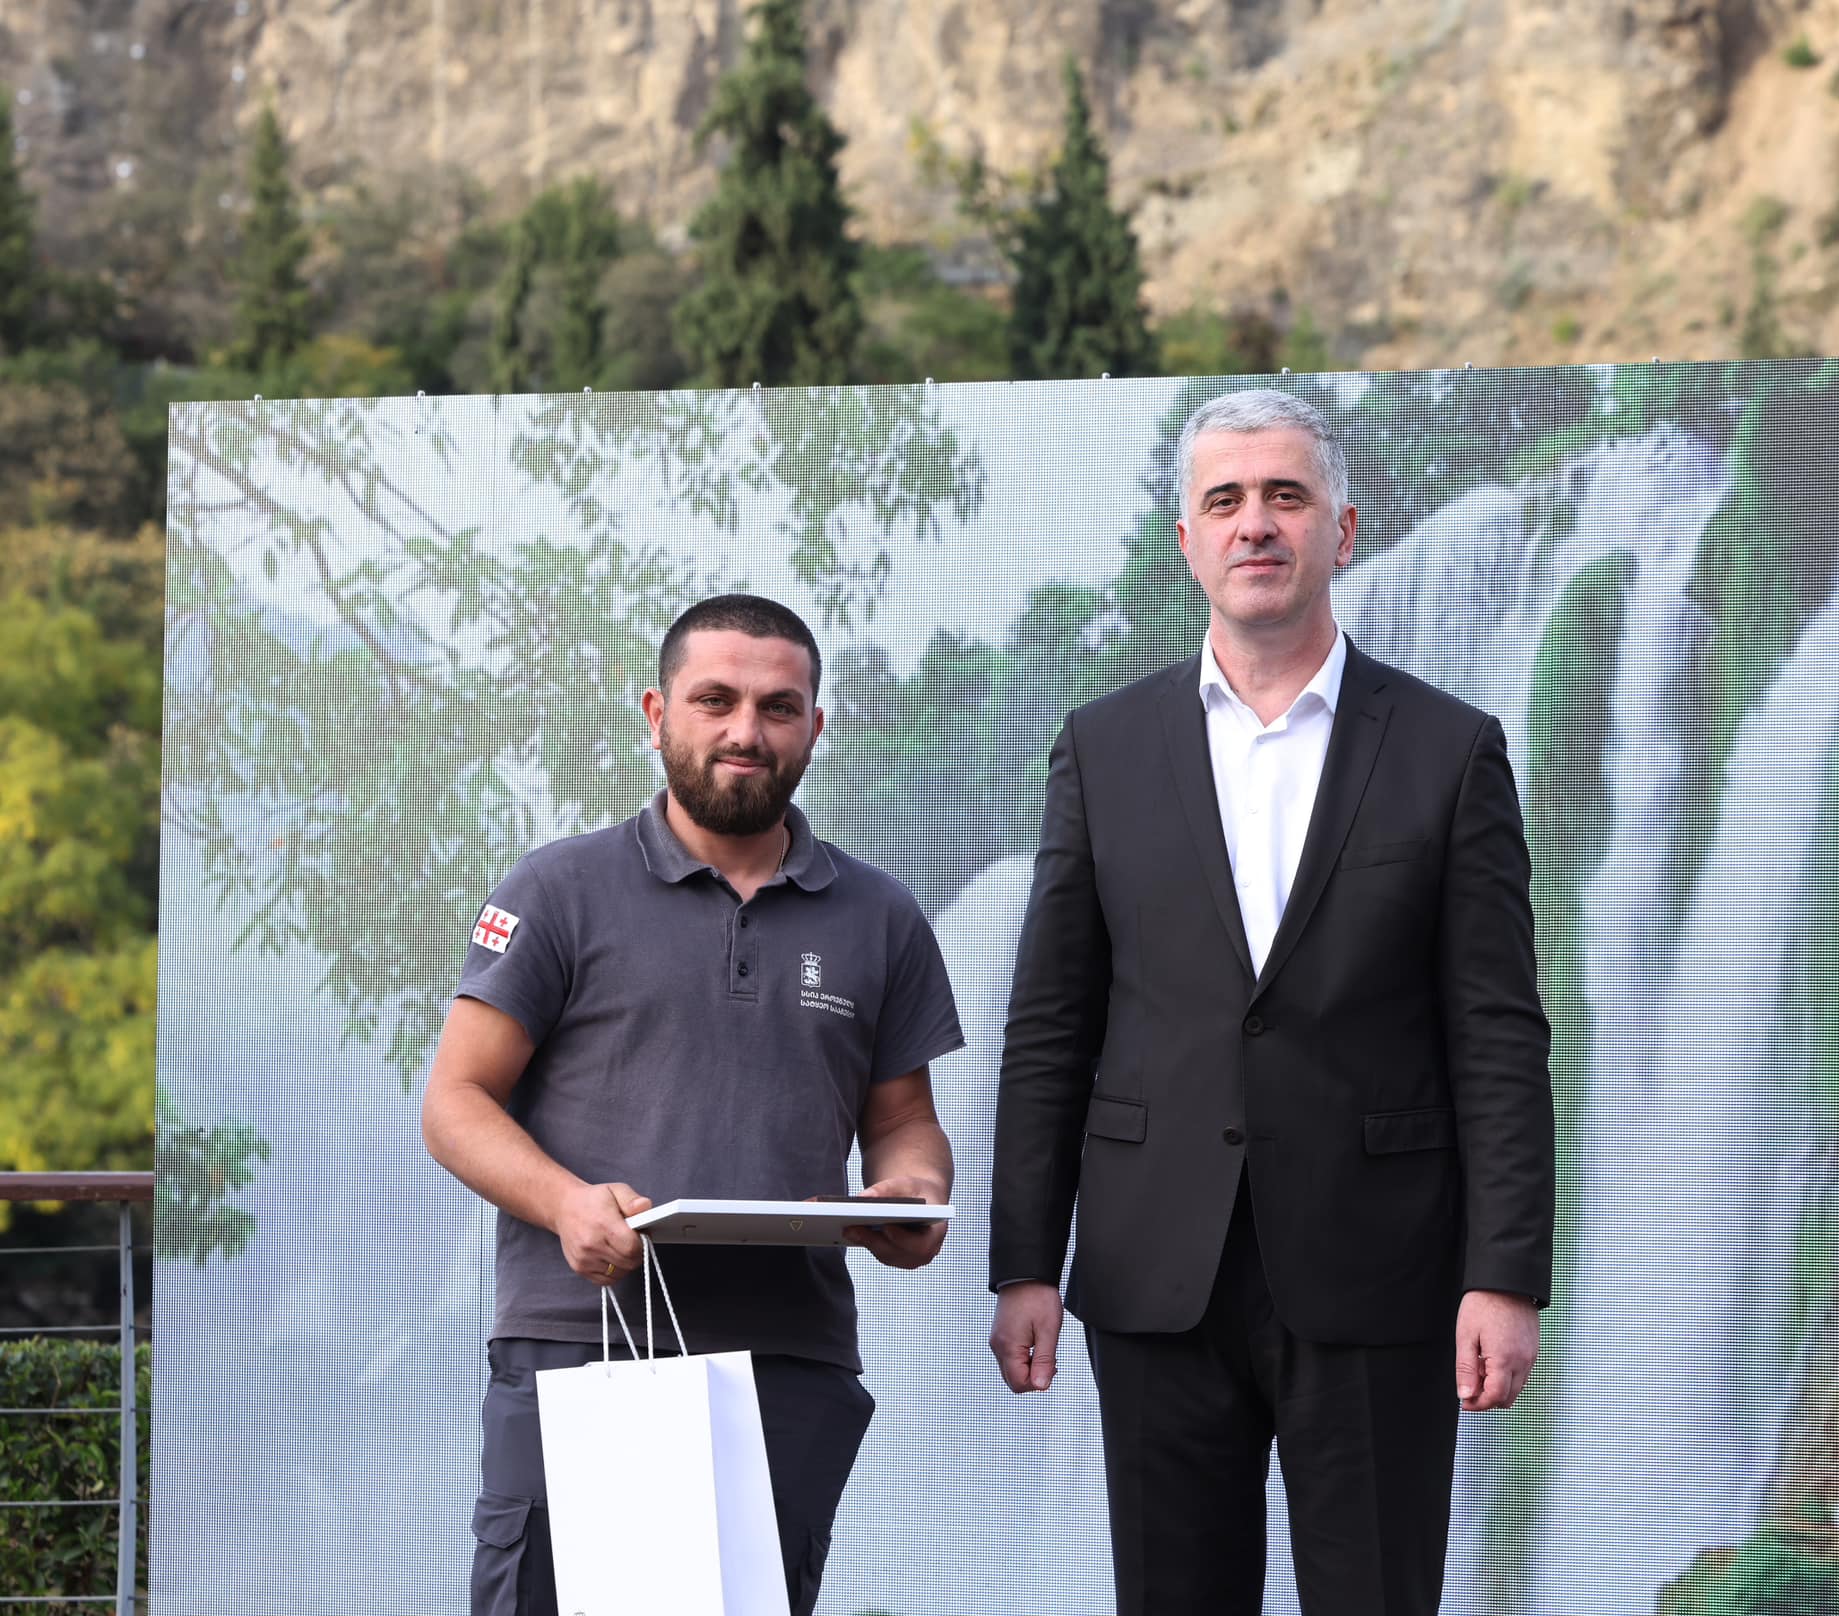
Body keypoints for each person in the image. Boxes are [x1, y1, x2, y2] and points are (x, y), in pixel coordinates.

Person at [987, 389, 1555, 1615]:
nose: (1255, 522)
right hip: (1153, 1270)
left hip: (1380, 1267)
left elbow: (1497, 1034)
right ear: (1185, 541)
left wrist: (1504, 1271)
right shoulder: (1100, 747)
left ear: (1339, 529)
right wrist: (1023, 1259)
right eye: (1225, 500)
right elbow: (1049, 1026)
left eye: (1285, 495)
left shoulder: (1450, 749)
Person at [421, 593, 963, 1616]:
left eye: (777, 707)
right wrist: (567, 1203)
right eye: (715, 699)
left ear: (814, 726)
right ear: (656, 712)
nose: (745, 730)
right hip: (580, 1343)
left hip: (790, 1355)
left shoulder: (882, 916)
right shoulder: (557, 888)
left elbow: (902, 1121)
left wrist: (912, 1189)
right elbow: (454, 1101)